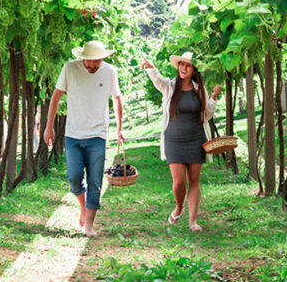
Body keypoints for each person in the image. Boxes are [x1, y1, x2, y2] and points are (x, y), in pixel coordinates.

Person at [44, 39, 124, 237]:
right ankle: (83, 206)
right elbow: (56, 97)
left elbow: (117, 99)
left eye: (96, 61)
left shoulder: (110, 72)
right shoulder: (69, 69)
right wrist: (48, 127)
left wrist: (119, 128)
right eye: (88, 61)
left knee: (95, 181)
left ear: (103, 58)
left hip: (98, 134)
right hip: (73, 133)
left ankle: (89, 225)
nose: (92, 65)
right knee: (74, 177)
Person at [142, 51, 221, 232]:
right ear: (178, 67)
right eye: (181, 64)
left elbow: (207, 115)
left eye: (188, 65)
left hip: (196, 139)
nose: (184, 68)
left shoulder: (199, 89)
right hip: (174, 140)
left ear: (193, 70)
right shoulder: (170, 87)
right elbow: (158, 81)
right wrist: (151, 68)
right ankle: (179, 206)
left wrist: (213, 98)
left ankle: (193, 222)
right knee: (178, 183)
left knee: (194, 181)